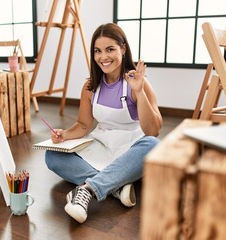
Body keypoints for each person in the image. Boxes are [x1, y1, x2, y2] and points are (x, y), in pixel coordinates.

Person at [45, 23, 163, 223]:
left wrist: (140, 92)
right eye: (97, 51)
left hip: (132, 148)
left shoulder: (138, 83)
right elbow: (83, 125)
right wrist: (63, 134)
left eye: (110, 49)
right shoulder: (90, 86)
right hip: (101, 144)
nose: (103, 57)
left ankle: (87, 190)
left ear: (123, 49)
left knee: (153, 146)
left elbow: (152, 131)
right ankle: (116, 186)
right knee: (53, 156)